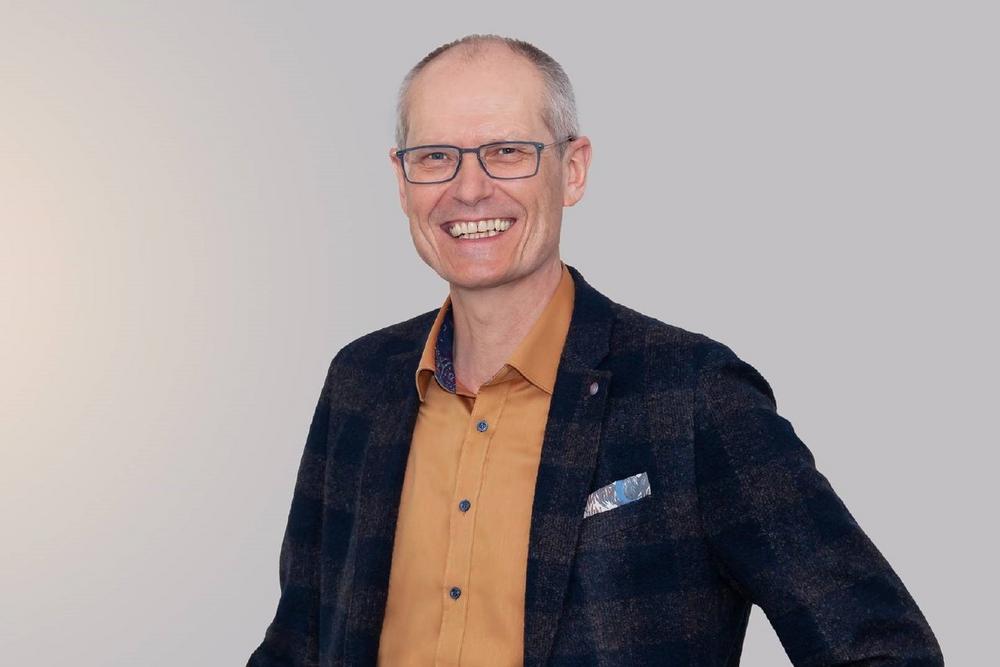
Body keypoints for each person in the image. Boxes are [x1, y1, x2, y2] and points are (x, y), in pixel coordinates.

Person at [247, 34, 943, 666]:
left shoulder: (692, 396)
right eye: (435, 157)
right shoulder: (361, 383)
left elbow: (885, 649)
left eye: (507, 152)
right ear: (402, 182)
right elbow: (295, 646)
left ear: (573, 169)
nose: (469, 188)